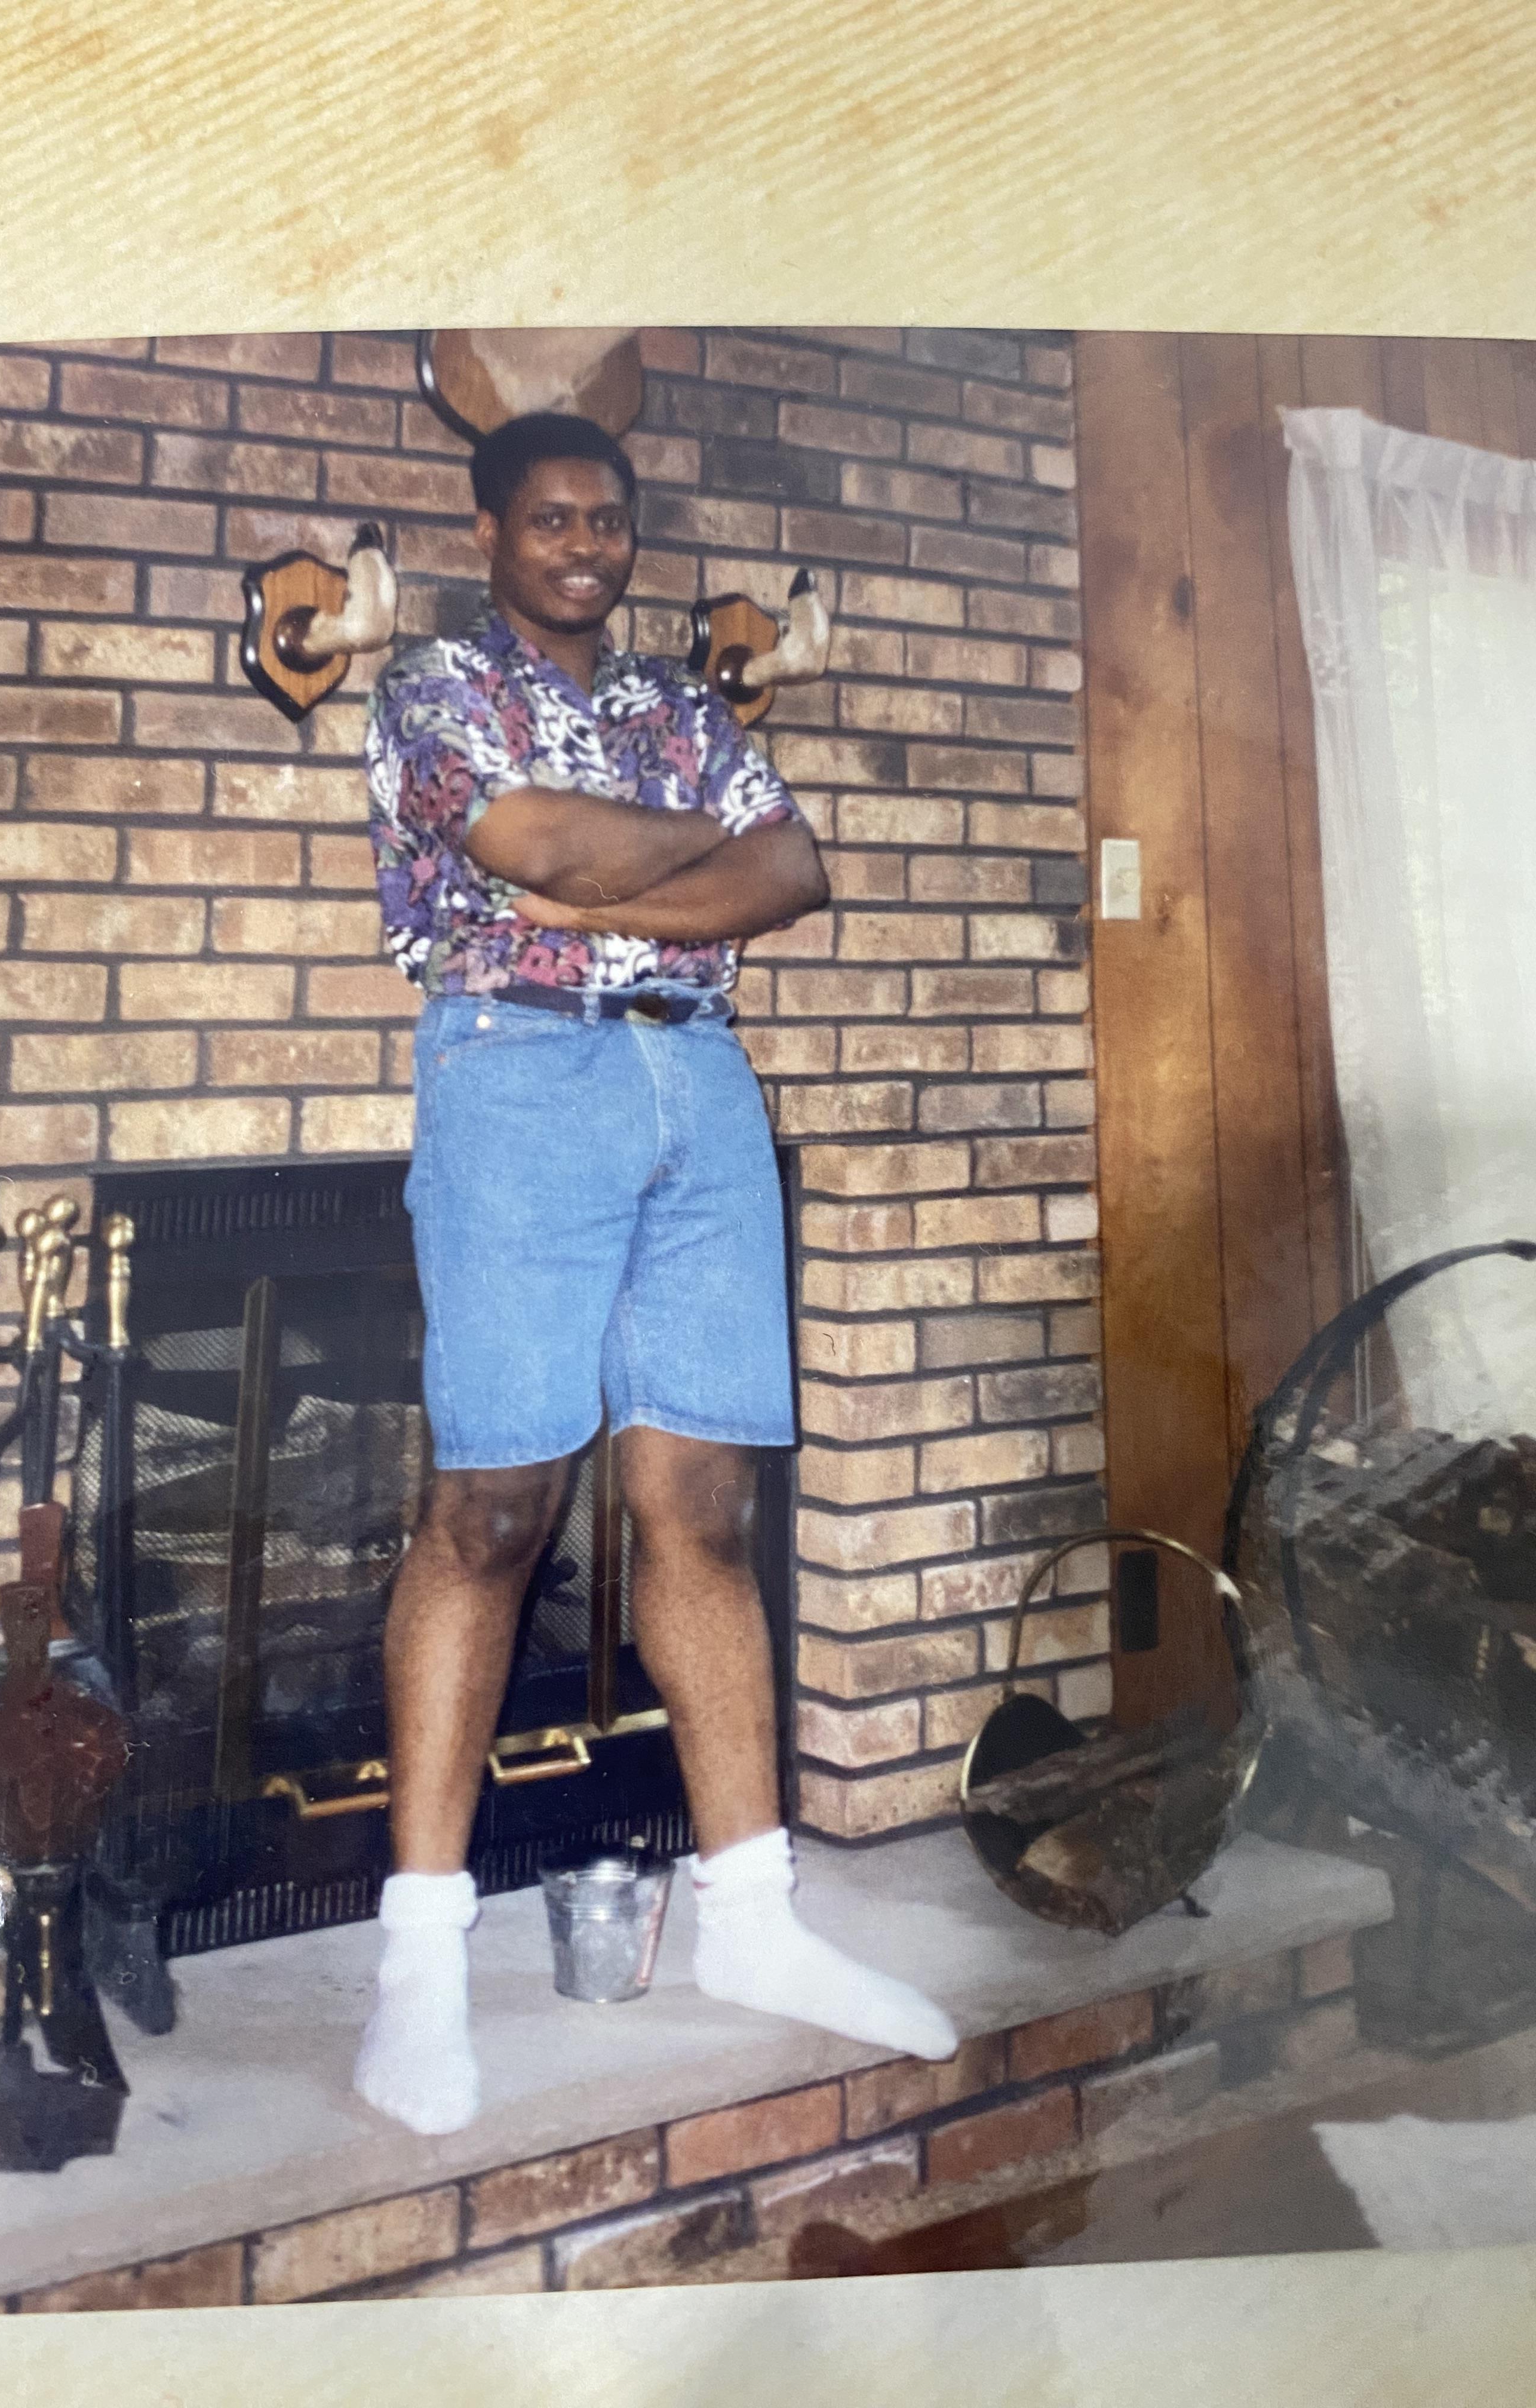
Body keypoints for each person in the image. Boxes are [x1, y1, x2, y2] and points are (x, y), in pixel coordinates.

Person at [356, 411, 957, 2135]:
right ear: (491, 532)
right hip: (516, 1074)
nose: (585, 546)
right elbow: (533, 849)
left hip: (699, 1080)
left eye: (608, 521)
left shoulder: (686, 706)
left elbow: (795, 871)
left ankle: (754, 1922)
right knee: (493, 1509)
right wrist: (659, 862)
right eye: (551, 518)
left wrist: (607, 890)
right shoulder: (432, 691)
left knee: (704, 1505)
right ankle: (416, 1968)